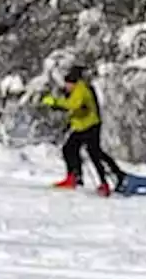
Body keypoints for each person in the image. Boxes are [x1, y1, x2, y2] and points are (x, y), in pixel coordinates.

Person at [41, 65, 127, 195]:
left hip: (91, 126)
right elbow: (72, 106)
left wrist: (55, 102)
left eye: (68, 83)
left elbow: (73, 105)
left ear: (74, 82)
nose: (66, 86)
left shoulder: (81, 89)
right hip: (81, 126)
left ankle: (104, 183)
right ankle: (74, 177)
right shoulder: (76, 90)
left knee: (94, 154)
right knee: (69, 149)